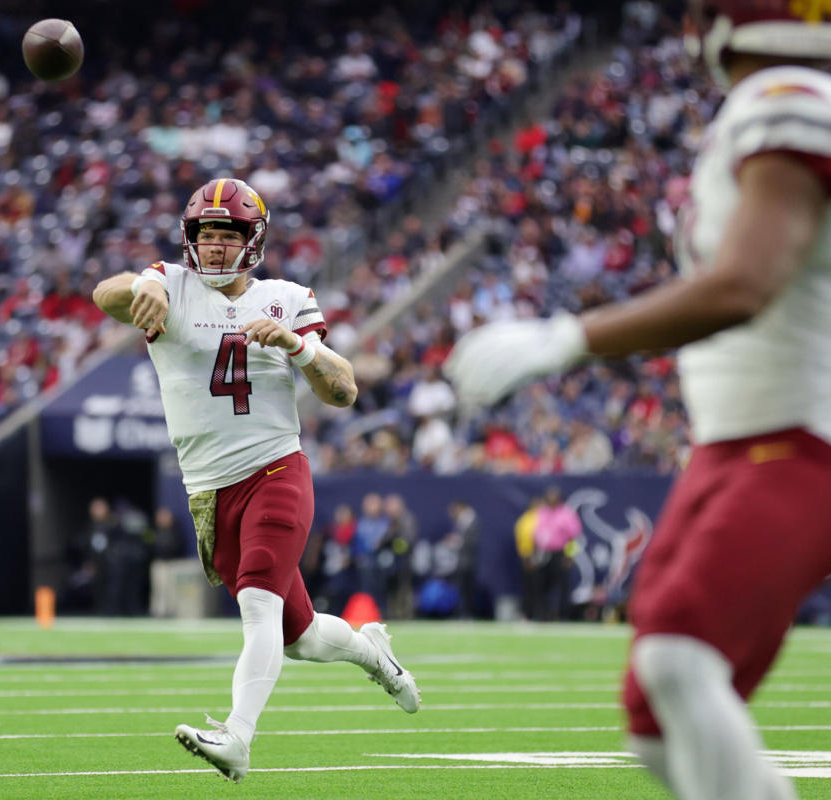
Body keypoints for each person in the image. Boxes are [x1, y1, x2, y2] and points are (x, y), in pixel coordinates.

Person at [445, 4, 831, 797]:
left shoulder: (787, 100)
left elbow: (745, 286)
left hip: (797, 439)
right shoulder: (763, 109)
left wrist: (569, 337)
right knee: (655, 719)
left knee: (679, 657)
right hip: (734, 442)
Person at [94, 177, 420, 783]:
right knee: (299, 636)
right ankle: (375, 653)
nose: (215, 246)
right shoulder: (170, 282)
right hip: (210, 490)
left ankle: (237, 738)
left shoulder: (286, 297)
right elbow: (103, 292)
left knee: (257, 608)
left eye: (229, 234)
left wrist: (299, 348)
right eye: (207, 234)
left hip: (275, 469)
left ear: (254, 239)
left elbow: (344, 389)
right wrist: (146, 285)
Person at [529, 486, 581, 621]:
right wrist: (534, 554)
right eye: (549, 497)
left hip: (560, 553)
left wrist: (569, 556)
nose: (551, 500)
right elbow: (535, 534)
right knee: (540, 585)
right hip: (542, 552)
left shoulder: (566, 514)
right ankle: (541, 615)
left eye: (554, 497)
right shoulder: (541, 512)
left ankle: (563, 615)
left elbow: (574, 537)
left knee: (563, 586)